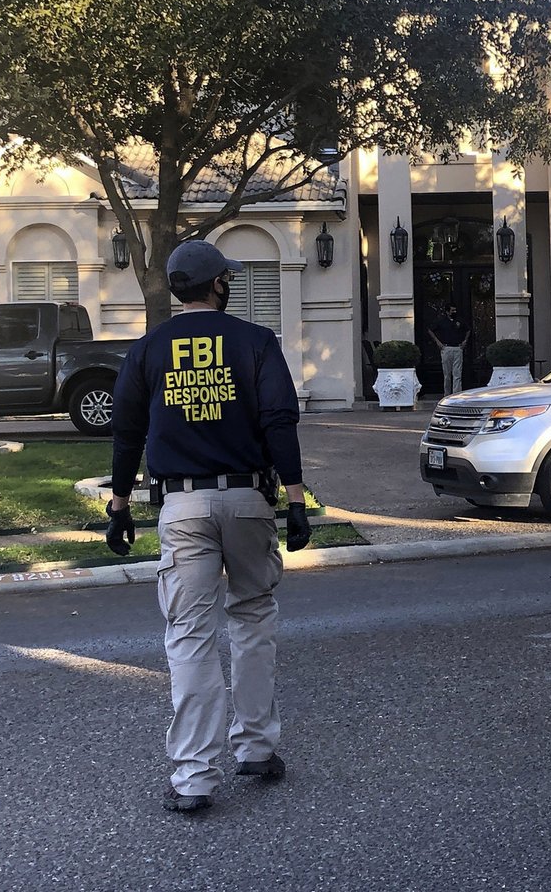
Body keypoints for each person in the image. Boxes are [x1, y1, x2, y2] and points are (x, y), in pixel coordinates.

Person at [107, 240, 315, 814]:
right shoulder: (254, 342)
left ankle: (195, 776)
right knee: (251, 617)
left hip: (181, 505)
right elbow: (278, 419)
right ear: (218, 284)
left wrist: (120, 503)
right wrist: (295, 499)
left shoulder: (148, 349)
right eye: (229, 278)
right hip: (247, 497)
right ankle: (255, 747)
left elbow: (126, 433)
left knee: (190, 634)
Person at [428, 303, 470, 394]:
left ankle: (456, 394)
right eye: (452, 310)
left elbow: (468, 330)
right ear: (447, 311)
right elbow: (430, 330)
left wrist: (465, 341)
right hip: (446, 348)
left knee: (457, 374)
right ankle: (447, 394)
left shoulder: (459, 320)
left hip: (457, 348)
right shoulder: (441, 321)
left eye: (455, 310)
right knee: (447, 374)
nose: (454, 312)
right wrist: (437, 342)